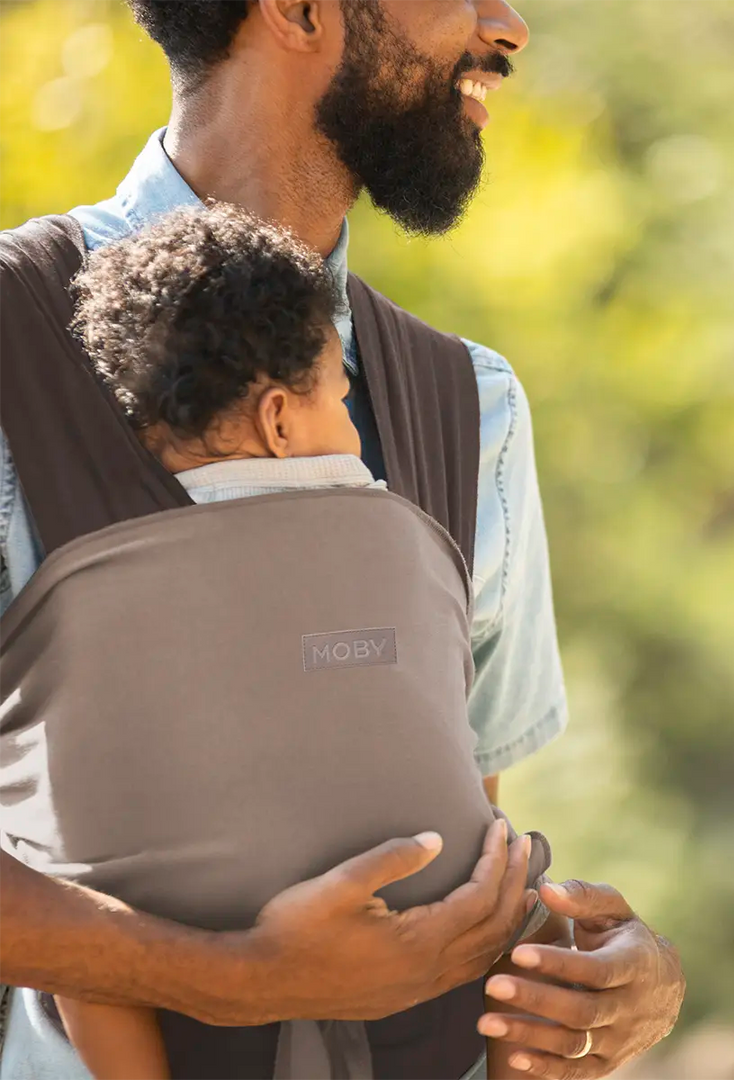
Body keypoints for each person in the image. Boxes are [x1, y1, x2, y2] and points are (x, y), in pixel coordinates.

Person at [0, 1, 686, 1078]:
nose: (506, 26)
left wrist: (598, 987)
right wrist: (225, 976)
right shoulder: (10, 349)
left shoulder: (477, 407)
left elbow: (448, 834)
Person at [41, 202, 555, 1080]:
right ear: (282, 422)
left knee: (85, 955)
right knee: (522, 886)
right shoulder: (400, 536)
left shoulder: (88, 585)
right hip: (431, 976)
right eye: (342, 400)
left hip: (181, 987)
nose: (358, 431)